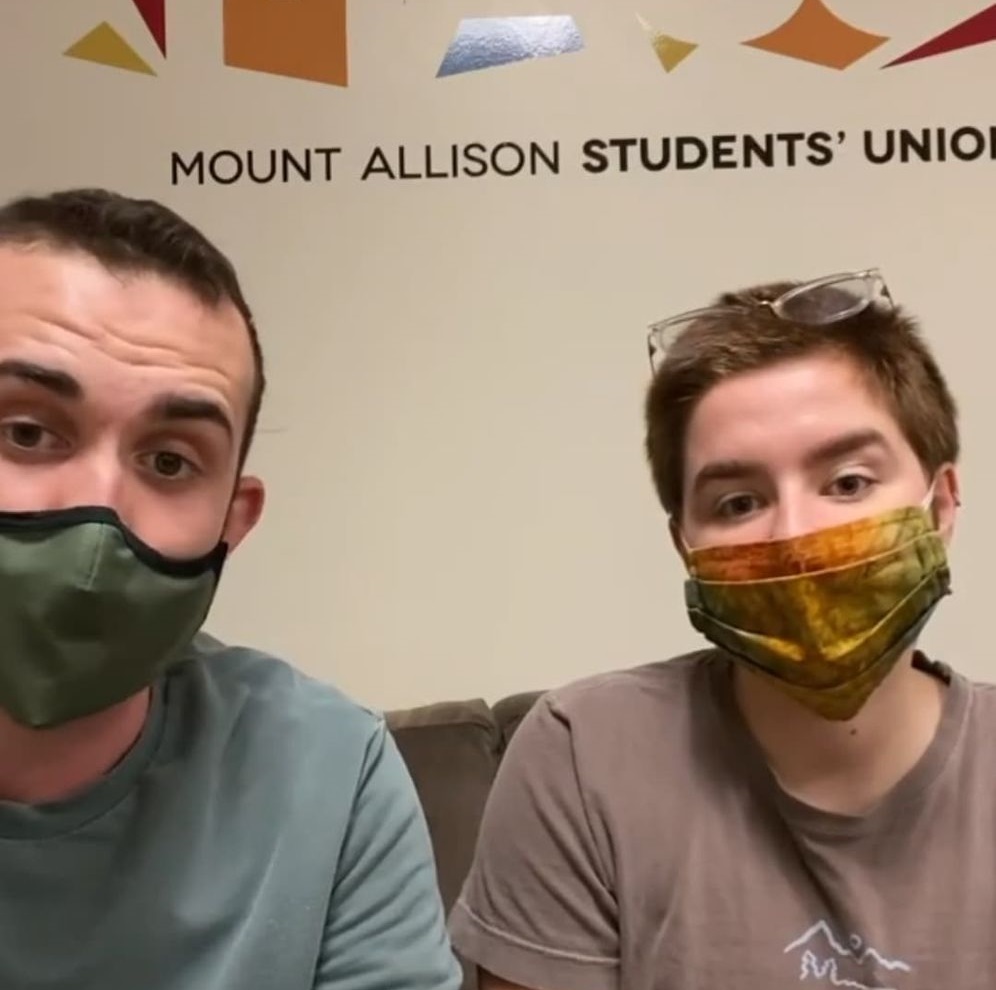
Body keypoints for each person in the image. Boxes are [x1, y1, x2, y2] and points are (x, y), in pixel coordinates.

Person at [448, 267, 993, 989]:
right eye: (739, 502)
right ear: (686, 548)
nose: (796, 536)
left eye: (848, 482)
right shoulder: (585, 757)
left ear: (941, 507)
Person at [0, 187, 461, 990]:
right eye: (27, 432)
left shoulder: (325, 770)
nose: (98, 514)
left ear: (232, 521)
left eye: (170, 461)